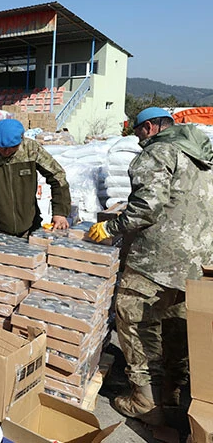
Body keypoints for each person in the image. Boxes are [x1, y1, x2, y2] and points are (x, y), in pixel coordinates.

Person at [88, 107, 213, 421]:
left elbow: (148, 206)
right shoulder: (202, 157)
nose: (139, 138)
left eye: (139, 131)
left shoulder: (158, 153)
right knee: (176, 323)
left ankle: (145, 399)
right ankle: (173, 393)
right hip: (198, 258)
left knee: (134, 315)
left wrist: (111, 228)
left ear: (150, 128)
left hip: (159, 256)